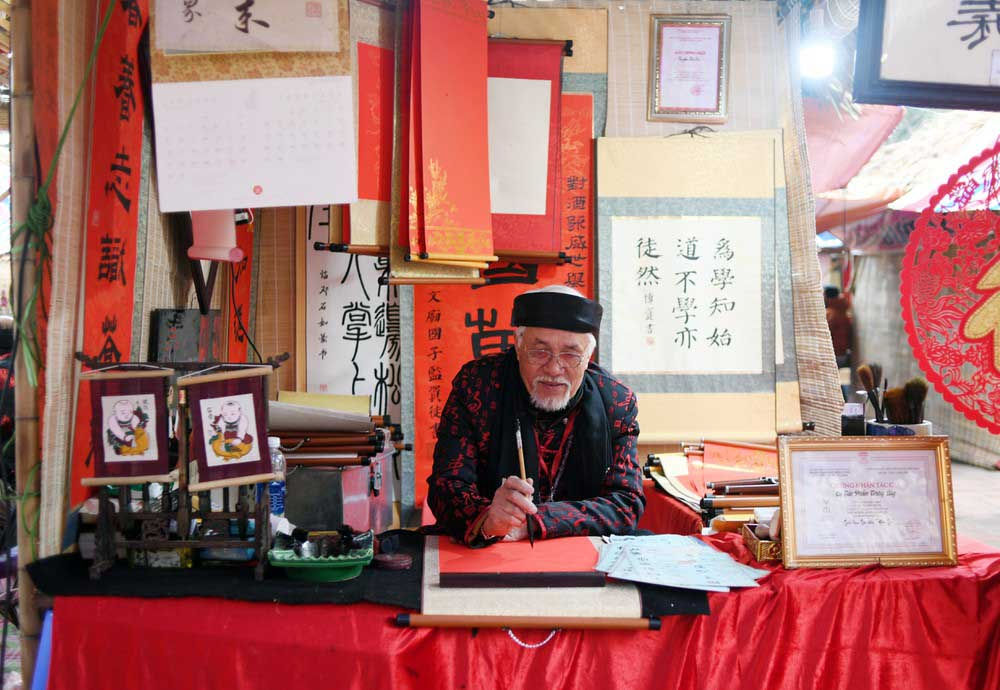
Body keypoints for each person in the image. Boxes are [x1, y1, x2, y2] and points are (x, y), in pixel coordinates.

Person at [428, 285, 644, 546]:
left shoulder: (616, 401)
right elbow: (446, 485)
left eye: (570, 355)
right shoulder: (477, 386)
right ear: (518, 347)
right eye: (539, 352)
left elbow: (626, 502)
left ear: (588, 357)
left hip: (580, 552)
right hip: (492, 548)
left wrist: (540, 520)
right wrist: (488, 518)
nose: (553, 368)